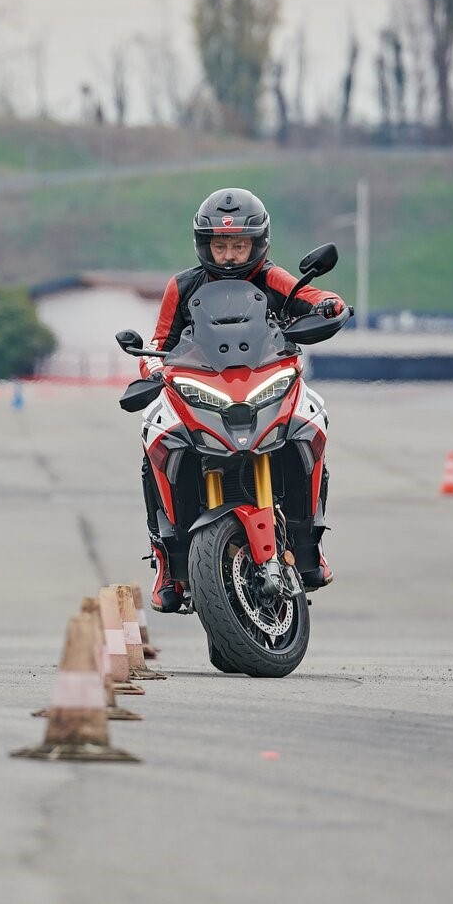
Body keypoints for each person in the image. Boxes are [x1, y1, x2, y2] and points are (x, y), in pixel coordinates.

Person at [139, 187, 344, 611]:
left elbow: (315, 299)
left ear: (258, 243)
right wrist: (154, 369)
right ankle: (166, 559)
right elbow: (159, 343)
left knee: (312, 420)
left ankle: (308, 541)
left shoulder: (272, 277)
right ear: (204, 245)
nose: (230, 255)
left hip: (264, 383)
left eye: (238, 245)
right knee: (154, 438)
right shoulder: (181, 287)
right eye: (220, 245)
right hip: (203, 389)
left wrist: (328, 304)